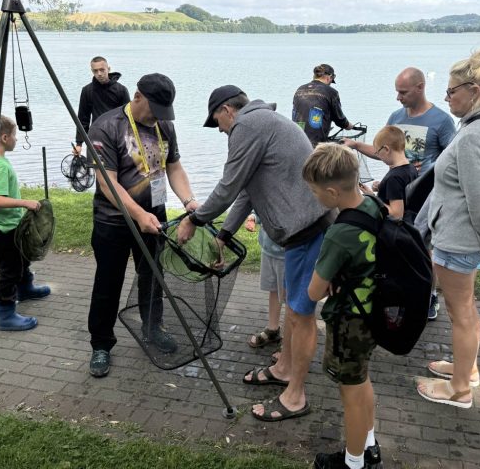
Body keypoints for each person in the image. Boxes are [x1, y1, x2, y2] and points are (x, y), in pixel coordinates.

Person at [175, 85, 333, 422]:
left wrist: (194, 219)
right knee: (294, 309)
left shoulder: (247, 126)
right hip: (298, 232)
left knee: (302, 315)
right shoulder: (265, 123)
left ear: (227, 110)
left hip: (309, 229)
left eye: (216, 120)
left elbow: (228, 185)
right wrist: (222, 235)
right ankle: (284, 369)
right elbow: (247, 191)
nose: (218, 129)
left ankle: (295, 396)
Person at [417, 47, 480, 408]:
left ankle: (459, 389)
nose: (446, 97)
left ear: (473, 90)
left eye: (451, 91)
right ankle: (466, 368)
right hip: (464, 236)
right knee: (466, 309)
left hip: (458, 239)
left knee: (461, 314)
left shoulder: (475, 135)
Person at [86, 73, 198, 378]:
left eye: (163, 113)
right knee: (108, 282)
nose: (157, 119)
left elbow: (173, 167)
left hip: (154, 220)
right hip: (114, 222)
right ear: (137, 97)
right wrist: (137, 214)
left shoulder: (164, 125)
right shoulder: (106, 127)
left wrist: (189, 201)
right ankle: (101, 344)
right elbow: (107, 182)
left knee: (152, 276)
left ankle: (153, 329)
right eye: (153, 111)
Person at [346, 67, 456, 320]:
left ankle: (429, 297)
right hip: (397, 192)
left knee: (425, 250)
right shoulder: (396, 116)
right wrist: (354, 145)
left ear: (420, 87)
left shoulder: (441, 121)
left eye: (403, 92)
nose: (398, 97)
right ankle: (404, 295)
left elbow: (452, 158)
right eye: (397, 91)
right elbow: (383, 151)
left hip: (426, 200)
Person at [305, 143, 382, 469]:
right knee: (361, 380)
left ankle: (354, 463)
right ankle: (369, 444)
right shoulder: (373, 206)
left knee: (350, 393)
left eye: (316, 191)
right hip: (373, 312)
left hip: (349, 322)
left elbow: (313, 292)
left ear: (333, 192)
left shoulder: (339, 233)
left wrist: (328, 278)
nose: (315, 197)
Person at [0, 114, 51, 332]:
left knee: (21, 257)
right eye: (14, 135)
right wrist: (25, 202)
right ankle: (6, 312)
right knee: (9, 268)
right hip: (3, 227)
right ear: (4, 138)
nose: (16, 139)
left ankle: (25, 287)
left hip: (10, 224)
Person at [244, 211, 285, 351]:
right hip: (269, 250)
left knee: (293, 301)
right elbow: (264, 208)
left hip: (289, 253)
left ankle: (291, 344)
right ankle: (273, 329)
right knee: (273, 290)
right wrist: (253, 217)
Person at [73, 56, 130, 155]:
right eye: (95, 71)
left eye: (102, 70)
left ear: (108, 69)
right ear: (92, 71)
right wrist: (79, 144)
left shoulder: (121, 90)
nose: (99, 74)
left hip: (117, 140)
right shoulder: (87, 91)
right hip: (95, 139)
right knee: (96, 169)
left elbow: (129, 118)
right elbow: (83, 119)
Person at [360, 125, 417, 219]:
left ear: (386, 149)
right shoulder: (411, 168)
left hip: (393, 230)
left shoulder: (394, 178)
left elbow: (396, 215)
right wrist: (382, 187)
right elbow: (403, 193)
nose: (378, 155)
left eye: (377, 152)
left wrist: (372, 198)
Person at [292, 64, 353, 146]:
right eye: (331, 81)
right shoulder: (331, 92)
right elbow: (339, 120)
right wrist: (349, 126)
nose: (330, 84)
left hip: (298, 138)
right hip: (316, 142)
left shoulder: (300, 89)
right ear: (329, 77)